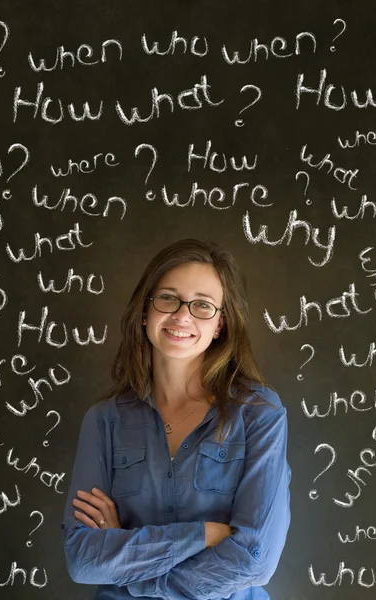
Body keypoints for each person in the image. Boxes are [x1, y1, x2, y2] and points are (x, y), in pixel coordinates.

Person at [61, 238, 291, 600]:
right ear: (145, 311)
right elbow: (84, 559)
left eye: (202, 305)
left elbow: (254, 560)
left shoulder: (260, 413)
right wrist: (203, 534)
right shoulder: (103, 421)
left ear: (220, 325)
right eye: (168, 298)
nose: (182, 316)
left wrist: (131, 569)